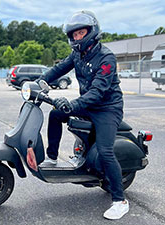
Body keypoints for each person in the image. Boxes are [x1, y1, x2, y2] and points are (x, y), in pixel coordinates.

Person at [36, 10, 129, 220]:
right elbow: (59, 69)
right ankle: (51, 157)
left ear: (91, 32)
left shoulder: (106, 57)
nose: (77, 37)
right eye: (74, 34)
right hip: (88, 103)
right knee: (55, 114)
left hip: (107, 107)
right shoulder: (78, 54)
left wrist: (73, 104)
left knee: (105, 151)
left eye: (81, 33)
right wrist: (38, 80)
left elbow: (98, 91)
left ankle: (119, 200)